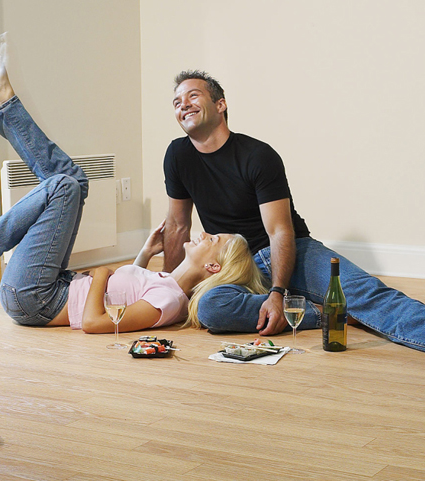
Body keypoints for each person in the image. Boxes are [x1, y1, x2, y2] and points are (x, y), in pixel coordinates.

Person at [0, 40, 263, 334]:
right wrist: (145, 254)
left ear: (212, 267)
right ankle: (5, 102)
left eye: (214, 239)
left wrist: (102, 273)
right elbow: (126, 292)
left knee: (63, 186)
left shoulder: (170, 300)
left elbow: (94, 323)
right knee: (74, 180)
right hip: (48, 288)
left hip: (35, 298)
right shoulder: (168, 284)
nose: (206, 233)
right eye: (177, 100)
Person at [163, 69, 425, 352]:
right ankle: (324, 311)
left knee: (367, 294)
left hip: (290, 251)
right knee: (211, 308)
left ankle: (316, 303)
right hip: (234, 262)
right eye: (177, 102)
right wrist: (167, 290)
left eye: (193, 96)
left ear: (220, 104)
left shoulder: (257, 155)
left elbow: (279, 231)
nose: (183, 105)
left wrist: (277, 293)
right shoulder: (178, 155)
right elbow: (177, 226)